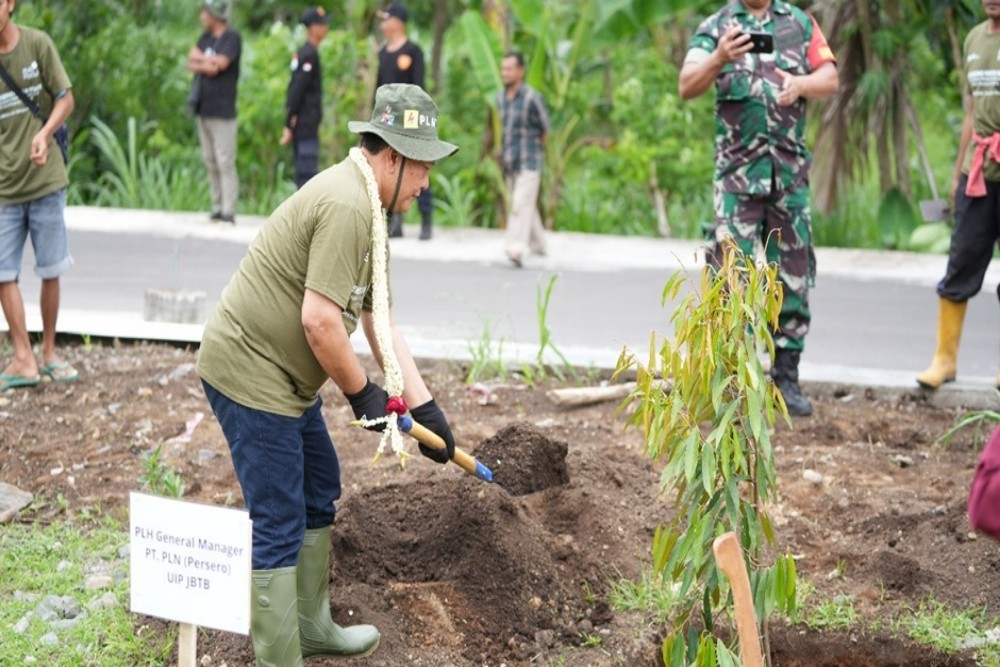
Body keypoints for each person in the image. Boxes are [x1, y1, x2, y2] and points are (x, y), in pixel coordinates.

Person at [196, 83, 458, 665]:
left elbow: (377, 314)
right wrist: (363, 393)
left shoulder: (369, 207)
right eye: (422, 168)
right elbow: (319, 321)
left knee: (320, 489)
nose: (426, 183)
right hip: (250, 372)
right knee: (280, 515)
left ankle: (311, 627)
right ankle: (278, 656)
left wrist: (423, 406)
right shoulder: (346, 205)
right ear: (392, 156)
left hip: (286, 380)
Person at [678, 0, 839, 416]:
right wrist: (719, 57)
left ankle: (786, 377)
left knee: (794, 276)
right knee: (731, 278)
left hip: (788, 177)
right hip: (736, 180)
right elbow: (686, 85)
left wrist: (801, 85)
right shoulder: (717, 26)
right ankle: (734, 382)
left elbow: (830, 77)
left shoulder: (800, 24)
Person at [916, 0, 1000, 392]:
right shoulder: (973, 38)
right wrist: (957, 173)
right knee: (961, 258)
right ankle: (945, 359)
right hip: (978, 170)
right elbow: (971, 112)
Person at [0, 0, 78, 392]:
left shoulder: (37, 45)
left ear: (10, 4)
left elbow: (66, 98)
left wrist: (44, 134)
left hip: (45, 180)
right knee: (2, 271)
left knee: (50, 268)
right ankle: (23, 357)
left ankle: (48, 352)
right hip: (4, 187)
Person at [376, 1, 434, 240]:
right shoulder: (381, 53)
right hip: (387, 118)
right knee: (389, 166)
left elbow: (418, 89)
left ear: (397, 22)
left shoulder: (413, 51)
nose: (383, 24)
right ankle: (394, 221)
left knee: (417, 165)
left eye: (386, 19)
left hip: (410, 118)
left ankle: (426, 221)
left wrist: (412, 122)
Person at [187, 0, 241, 224]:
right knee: (210, 159)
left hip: (223, 111)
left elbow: (221, 65)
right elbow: (192, 60)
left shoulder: (232, 38)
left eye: (205, 13)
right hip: (204, 109)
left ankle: (229, 208)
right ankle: (217, 206)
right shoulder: (205, 39)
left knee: (225, 160)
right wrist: (206, 64)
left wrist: (206, 61)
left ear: (214, 14)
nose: (202, 17)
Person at [495, 51, 550, 268]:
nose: (505, 73)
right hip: (511, 161)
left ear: (521, 71)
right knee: (526, 204)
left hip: (530, 160)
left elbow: (545, 130)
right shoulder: (501, 98)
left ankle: (516, 247)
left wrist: (535, 149)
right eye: (503, 69)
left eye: (509, 69)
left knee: (519, 204)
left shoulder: (531, 98)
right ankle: (540, 244)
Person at [281, 6, 330, 190]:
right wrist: (288, 122)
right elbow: (297, 90)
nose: (326, 28)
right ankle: (306, 216)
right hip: (305, 121)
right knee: (306, 171)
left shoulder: (305, 52)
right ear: (313, 28)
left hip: (303, 120)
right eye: (322, 25)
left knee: (305, 168)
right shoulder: (308, 54)